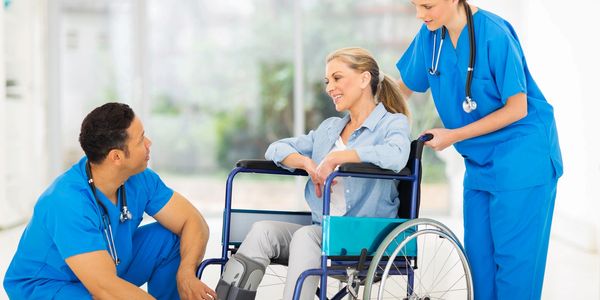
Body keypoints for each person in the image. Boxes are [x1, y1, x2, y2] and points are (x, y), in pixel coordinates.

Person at [214, 47, 411, 300]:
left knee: (307, 236)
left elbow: (396, 156)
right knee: (262, 231)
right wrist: (306, 163)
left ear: (364, 79)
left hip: (365, 235)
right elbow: (276, 148)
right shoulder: (330, 130)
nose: (330, 88)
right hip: (323, 230)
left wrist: (338, 157)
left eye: (337, 78)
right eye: (327, 81)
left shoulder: (392, 124)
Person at [396, 1, 562, 299]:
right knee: (478, 271)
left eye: (427, 5)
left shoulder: (495, 35)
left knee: (514, 273)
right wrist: (364, 111)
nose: (420, 14)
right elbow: (403, 87)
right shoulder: (431, 36)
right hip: (479, 163)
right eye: (414, 5)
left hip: (522, 159)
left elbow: (517, 108)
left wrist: (454, 135)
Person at [3, 103, 217, 300]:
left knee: (170, 239)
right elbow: (104, 288)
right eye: (141, 139)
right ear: (116, 157)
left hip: (107, 266)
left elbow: (193, 221)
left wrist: (186, 273)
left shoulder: (139, 177)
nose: (149, 143)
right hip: (49, 285)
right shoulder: (66, 202)